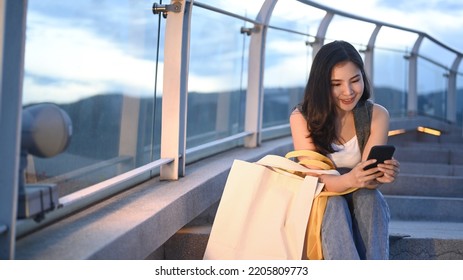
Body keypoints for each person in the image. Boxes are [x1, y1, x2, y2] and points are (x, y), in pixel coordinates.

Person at [290, 40, 400, 260]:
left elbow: (368, 182)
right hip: (322, 202)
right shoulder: (302, 117)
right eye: (336, 84)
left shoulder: (377, 115)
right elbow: (316, 183)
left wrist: (380, 174)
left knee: (370, 196)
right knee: (334, 202)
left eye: (355, 80)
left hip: (361, 197)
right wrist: (353, 178)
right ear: (322, 85)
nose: (348, 91)